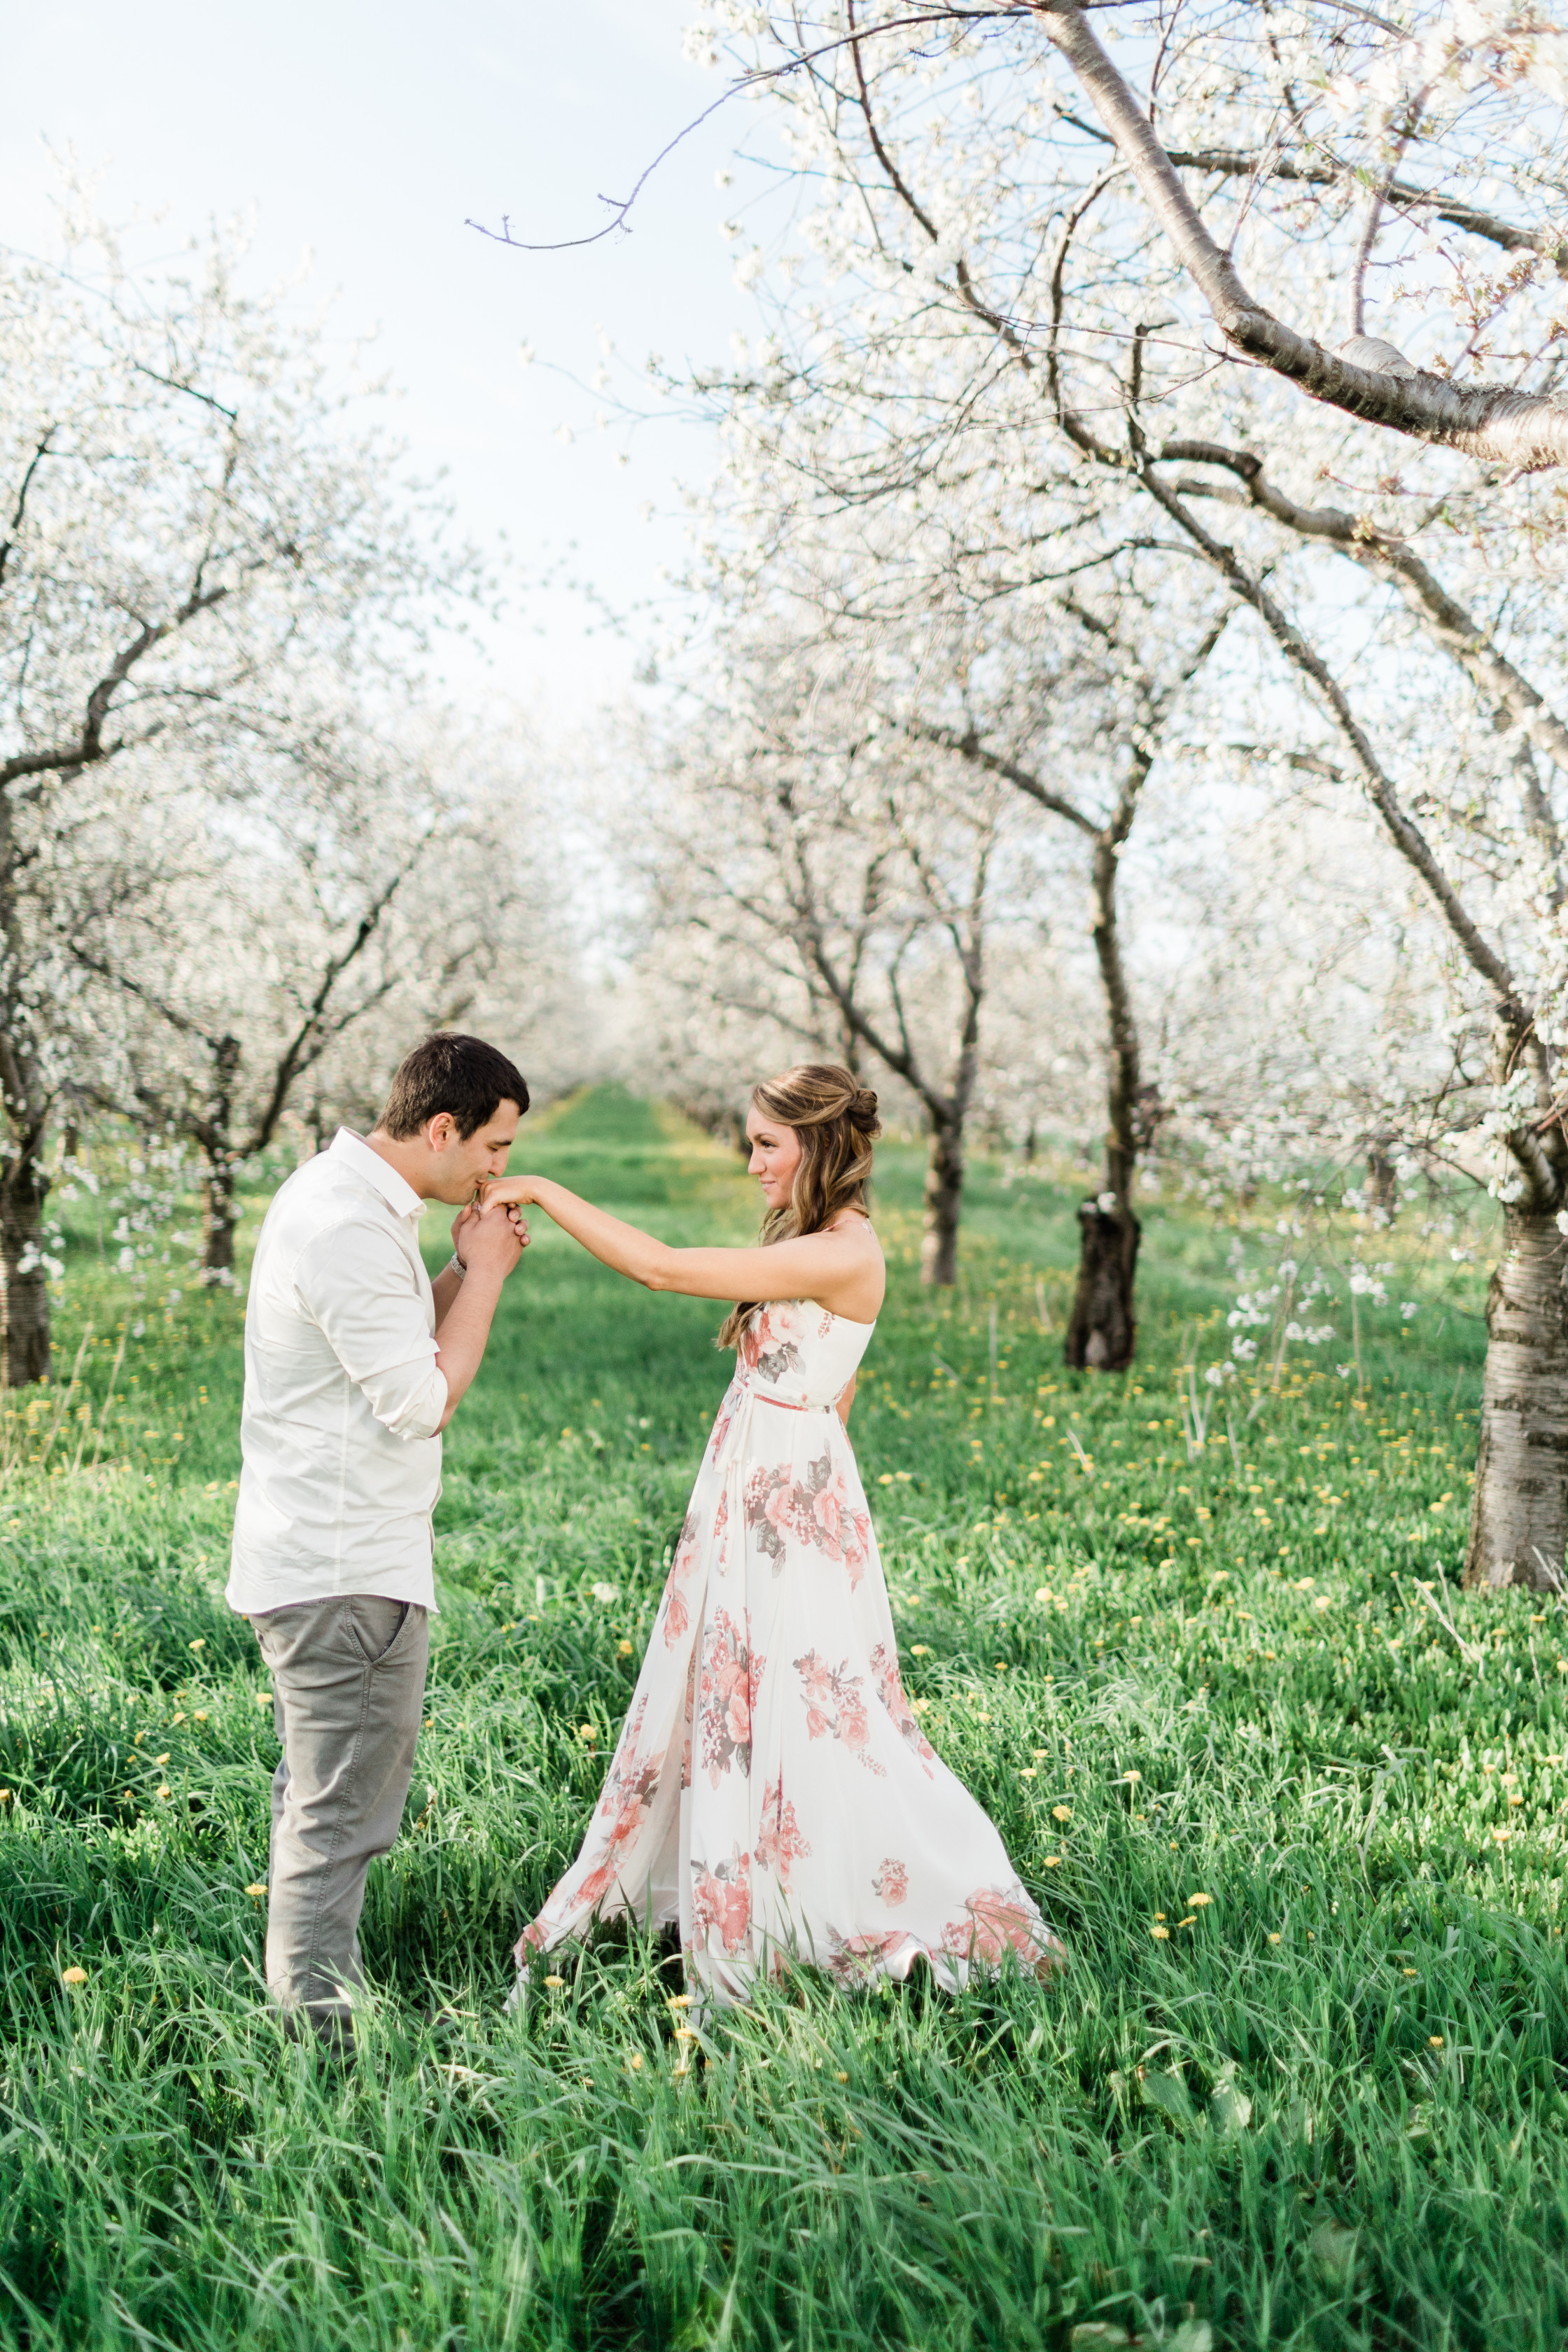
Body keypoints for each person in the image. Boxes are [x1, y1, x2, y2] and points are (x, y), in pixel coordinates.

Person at [484, 1063, 1062, 2010]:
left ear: (820, 1142)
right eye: (750, 1141)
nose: (751, 1161)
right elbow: (837, 1390)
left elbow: (666, 1269)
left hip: (786, 1499)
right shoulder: (820, 1241)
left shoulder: (845, 1250)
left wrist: (544, 1189)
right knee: (747, 1691)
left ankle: (844, 1893)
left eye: (766, 1143)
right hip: (773, 1485)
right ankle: (737, 1872)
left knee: (823, 1709)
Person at [227, 1033, 530, 2047]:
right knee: (339, 1819)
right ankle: (322, 2044)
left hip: (330, 1553)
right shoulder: (347, 1223)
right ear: (441, 1128)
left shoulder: (353, 1200)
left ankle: (310, 2004)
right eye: (491, 1147)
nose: (497, 1169)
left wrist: (456, 1269)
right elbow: (417, 1399)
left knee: (324, 1801)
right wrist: (483, 1277)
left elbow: (390, 1346)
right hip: (344, 1569)